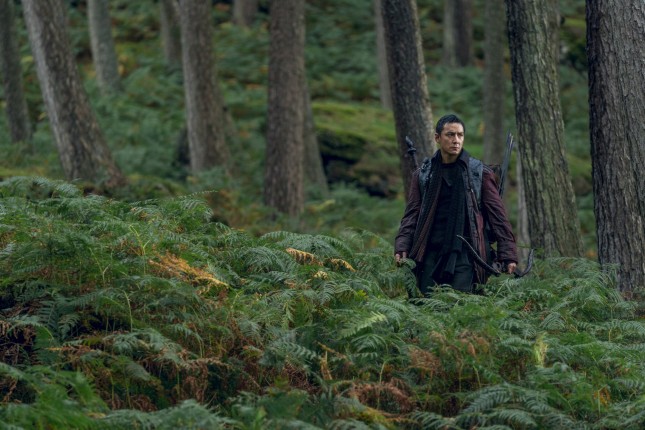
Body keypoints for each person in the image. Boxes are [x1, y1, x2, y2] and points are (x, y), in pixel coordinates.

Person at [394, 114, 518, 295]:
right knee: (427, 304)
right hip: (429, 252)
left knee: (460, 304)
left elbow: (498, 216)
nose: (456, 140)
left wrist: (507, 253)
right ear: (437, 138)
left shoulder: (479, 173)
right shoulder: (424, 174)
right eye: (450, 135)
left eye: (460, 135)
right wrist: (402, 244)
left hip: (466, 254)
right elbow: (412, 214)